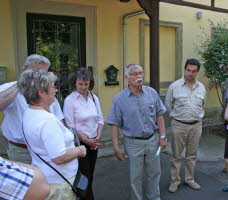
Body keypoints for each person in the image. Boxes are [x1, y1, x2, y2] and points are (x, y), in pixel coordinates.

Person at [18, 70, 86, 199]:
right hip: (60, 184)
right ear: (41, 92)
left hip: (48, 178)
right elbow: (59, 157)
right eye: (53, 86)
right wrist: (79, 150)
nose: (56, 90)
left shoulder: (29, 112)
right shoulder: (47, 120)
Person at [106, 64, 167, 200]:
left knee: (154, 174)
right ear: (127, 77)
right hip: (133, 143)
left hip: (152, 139)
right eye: (135, 74)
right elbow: (114, 124)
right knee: (136, 178)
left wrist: (163, 136)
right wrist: (116, 147)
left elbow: (159, 115)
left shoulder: (152, 92)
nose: (139, 76)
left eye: (141, 73)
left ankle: (154, 198)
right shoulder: (119, 99)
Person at [0, 54, 64, 164]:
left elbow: (59, 118)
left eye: (46, 73)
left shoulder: (47, 91)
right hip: (21, 151)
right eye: (40, 72)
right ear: (28, 70)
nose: (43, 76)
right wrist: (20, 84)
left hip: (46, 149)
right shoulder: (10, 87)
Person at [165, 58, 206, 193]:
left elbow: (202, 105)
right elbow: (168, 105)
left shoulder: (201, 87)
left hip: (196, 126)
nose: (190, 73)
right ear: (184, 69)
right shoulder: (174, 86)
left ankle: (189, 179)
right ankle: (174, 181)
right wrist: (177, 118)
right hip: (179, 125)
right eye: (188, 70)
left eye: (194, 71)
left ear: (197, 72)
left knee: (191, 155)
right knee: (176, 155)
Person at [64, 68, 104, 200]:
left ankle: (85, 197)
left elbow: (100, 119)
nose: (83, 87)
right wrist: (86, 141)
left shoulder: (94, 97)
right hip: (79, 144)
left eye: (86, 84)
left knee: (91, 173)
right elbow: (70, 126)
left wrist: (97, 138)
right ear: (74, 83)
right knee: (84, 175)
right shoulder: (70, 100)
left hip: (94, 142)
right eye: (80, 84)